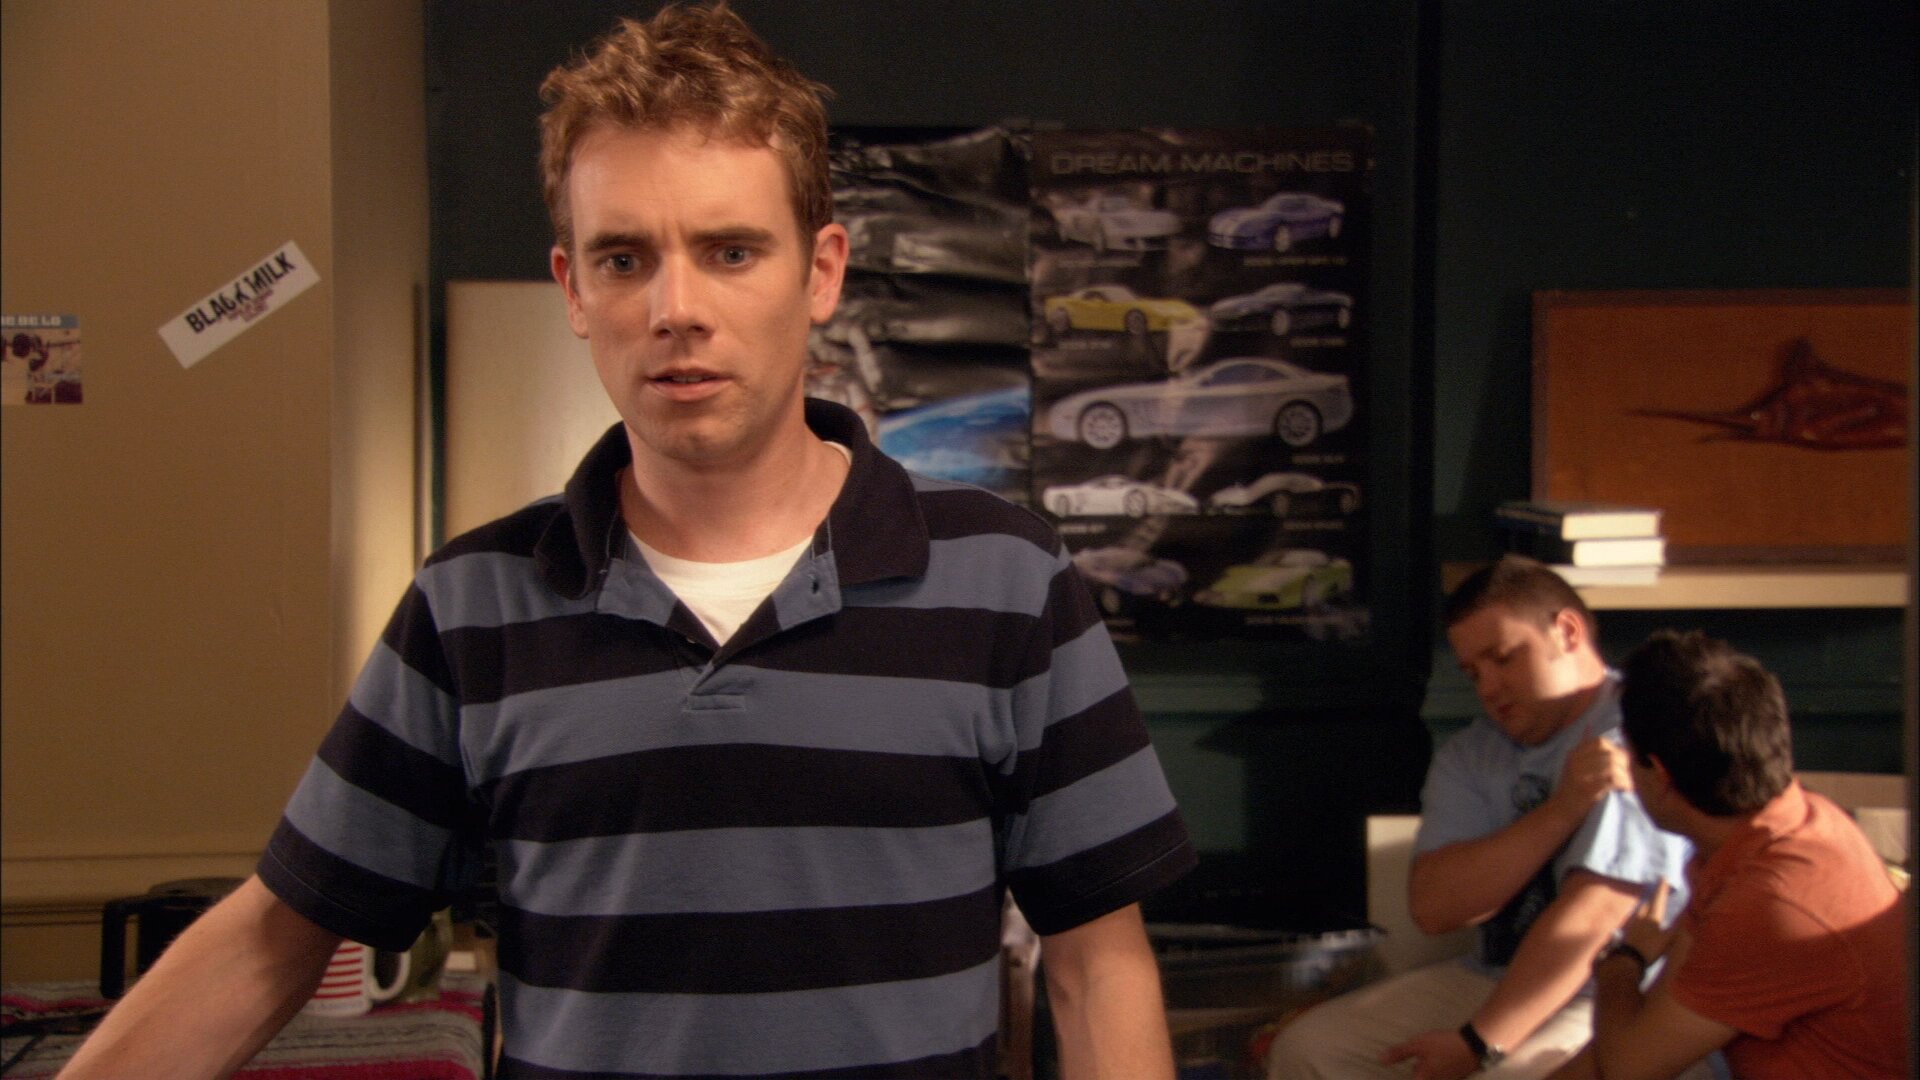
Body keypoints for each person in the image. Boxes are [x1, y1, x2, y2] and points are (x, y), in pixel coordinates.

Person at [59, 6, 1195, 1078]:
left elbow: (1098, 969)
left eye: (731, 251)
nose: (674, 308)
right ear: (573, 289)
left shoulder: (1007, 580)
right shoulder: (473, 604)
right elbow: (276, 938)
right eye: (623, 258)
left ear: (822, 272)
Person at [1268, 555, 1694, 1080]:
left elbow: (1591, 920)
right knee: (1310, 1049)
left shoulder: (1637, 729)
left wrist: (1479, 1044)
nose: (1488, 688)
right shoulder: (1472, 753)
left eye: (1504, 658)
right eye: (1473, 673)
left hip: (1617, 990)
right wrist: (1562, 809)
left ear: (1567, 632)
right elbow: (1435, 907)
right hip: (1491, 975)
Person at [1553, 630, 1909, 1080]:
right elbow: (1644, 1033)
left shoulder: (1771, 898)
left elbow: (1631, 1068)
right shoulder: (1783, 827)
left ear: (1659, 774)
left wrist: (1620, 963)